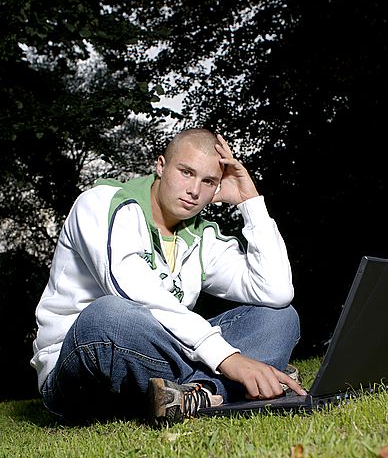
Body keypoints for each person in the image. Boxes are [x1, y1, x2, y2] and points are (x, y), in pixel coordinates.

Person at [31, 128, 306, 425]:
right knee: (108, 315)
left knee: (279, 316)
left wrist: (250, 203)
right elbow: (134, 294)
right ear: (160, 165)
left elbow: (275, 290)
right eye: (186, 172)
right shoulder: (102, 204)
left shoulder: (202, 236)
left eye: (208, 181)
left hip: (156, 362)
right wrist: (230, 359)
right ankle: (237, 382)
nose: (194, 190)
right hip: (82, 363)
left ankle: (195, 394)